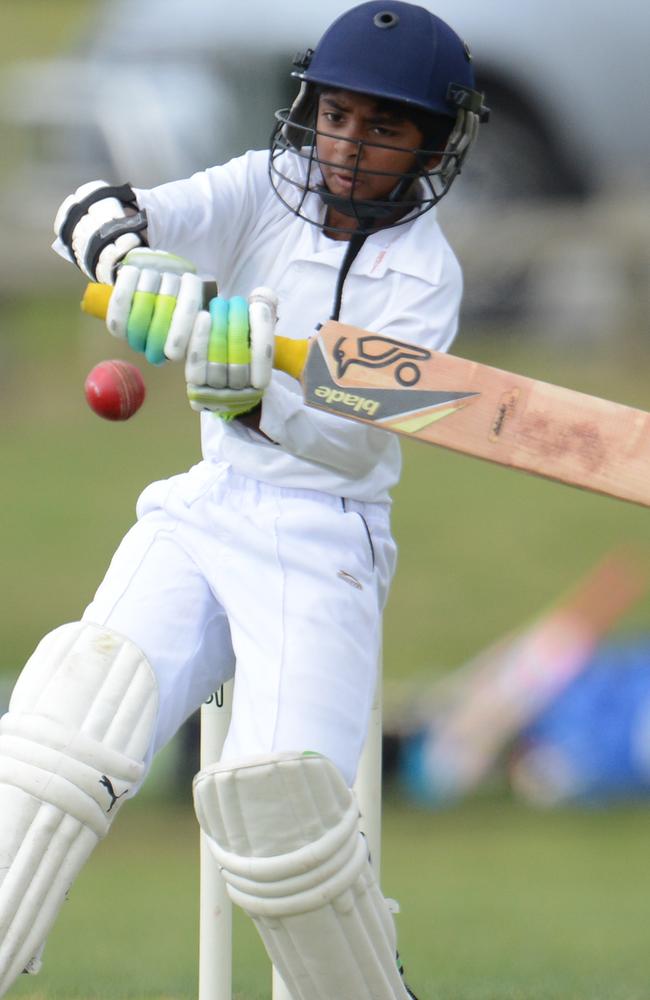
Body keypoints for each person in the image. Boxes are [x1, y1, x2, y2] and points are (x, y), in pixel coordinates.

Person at [0, 3, 487, 997]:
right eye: (337, 115)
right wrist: (134, 263)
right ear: (308, 109)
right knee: (66, 722)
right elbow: (87, 210)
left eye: (383, 126)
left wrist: (258, 398)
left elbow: (353, 443)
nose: (347, 145)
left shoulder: (426, 277)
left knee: (283, 819)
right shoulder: (258, 191)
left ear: (433, 143)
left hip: (327, 541)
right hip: (207, 504)